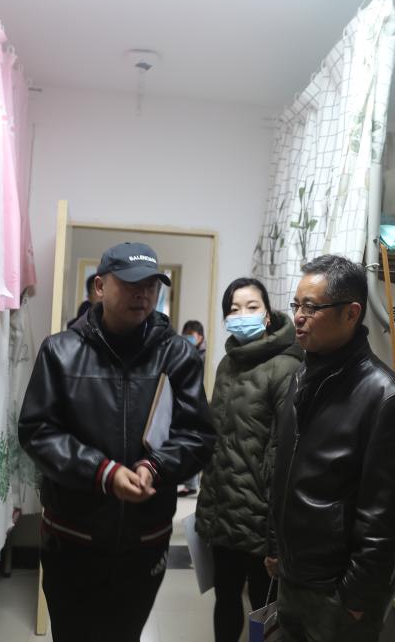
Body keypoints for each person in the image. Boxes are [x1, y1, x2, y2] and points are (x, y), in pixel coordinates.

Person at [18, 242, 216, 642]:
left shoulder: (178, 355)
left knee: (125, 634)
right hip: (72, 538)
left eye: (151, 285)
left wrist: (155, 466)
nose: (142, 294)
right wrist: (103, 472)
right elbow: (38, 431)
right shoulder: (60, 351)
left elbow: (198, 434)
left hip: (144, 540)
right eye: (130, 284)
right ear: (100, 286)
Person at [267, 254, 395, 642]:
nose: (298, 317)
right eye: (296, 305)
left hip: (336, 593)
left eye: (311, 307)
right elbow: (286, 468)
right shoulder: (301, 376)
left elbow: (385, 515)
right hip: (292, 576)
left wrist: (354, 596)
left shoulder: (387, 398)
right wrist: (276, 546)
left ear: (351, 313)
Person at [195, 278, 301, 642]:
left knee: (262, 609)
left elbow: (285, 454)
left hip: (260, 520)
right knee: (225, 599)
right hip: (224, 512)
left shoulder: (286, 368)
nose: (242, 315)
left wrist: (276, 538)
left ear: (268, 315)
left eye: (252, 307)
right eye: (234, 309)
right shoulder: (228, 364)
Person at [179, 319, 207, 496]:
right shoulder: (184, 350)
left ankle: (191, 483)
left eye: (191, 336)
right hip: (183, 401)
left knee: (192, 440)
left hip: (194, 402)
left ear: (200, 337)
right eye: (185, 335)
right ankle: (190, 483)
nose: (187, 338)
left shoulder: (198, 354)